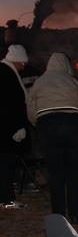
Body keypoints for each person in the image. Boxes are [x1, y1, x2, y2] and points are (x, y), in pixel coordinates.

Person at [27, 52, 78, 223]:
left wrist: (38, 123)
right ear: (66, 66)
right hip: (73, 125)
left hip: (48, 127)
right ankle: (76, 214)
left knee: (55, 174)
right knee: (74, 172)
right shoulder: (73, 82)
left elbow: (31, 109)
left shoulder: (39, 82)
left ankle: (59, 216)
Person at [0, 45, 29, 209]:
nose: (23, 67)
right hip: (6, 131)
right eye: (23, 63)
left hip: (4, 128)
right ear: (17, 60)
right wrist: (18, 127)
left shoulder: (5, 71)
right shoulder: (6, 74)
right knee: (6, 165)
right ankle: (7, 200)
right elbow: (11, 104)